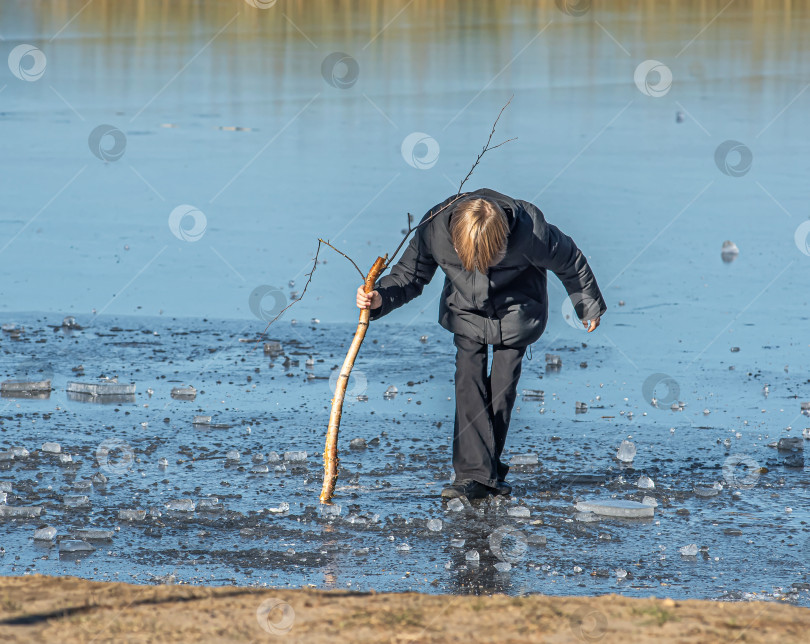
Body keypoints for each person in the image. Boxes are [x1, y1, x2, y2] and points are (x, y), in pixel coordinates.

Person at [356, 188, 607, 500]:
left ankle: (487, 472)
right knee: (468, 378)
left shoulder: (531, 231)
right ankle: (474, 475)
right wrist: (380, 297)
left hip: (518, 309)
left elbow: (569, 259)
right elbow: (410, 275)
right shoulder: (434, 228)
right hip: (465, 310)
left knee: (502, 387)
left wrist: (588, 304)